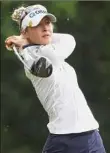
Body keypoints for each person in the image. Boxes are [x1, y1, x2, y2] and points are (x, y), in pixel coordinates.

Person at [5, 4, 106, 153]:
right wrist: (26, 44)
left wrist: (25, 40)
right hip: (65, 141)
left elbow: (70, 40)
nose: (45, 28)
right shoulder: (32, 59)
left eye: (47, 23)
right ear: (25, 31)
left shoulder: (50, 49)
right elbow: (50, 56)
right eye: (38, 25)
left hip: (91, 135)